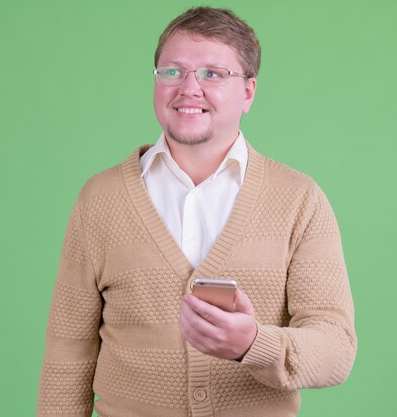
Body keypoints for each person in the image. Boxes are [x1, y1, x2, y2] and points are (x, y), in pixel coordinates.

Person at [37, 6, 356, 417]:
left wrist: (253, 345)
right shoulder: (101, 199)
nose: (189, 87)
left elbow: (336, 348)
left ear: (247, 92)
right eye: (172, 72)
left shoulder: (299, 200)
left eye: (212, 73)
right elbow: (68, 352)